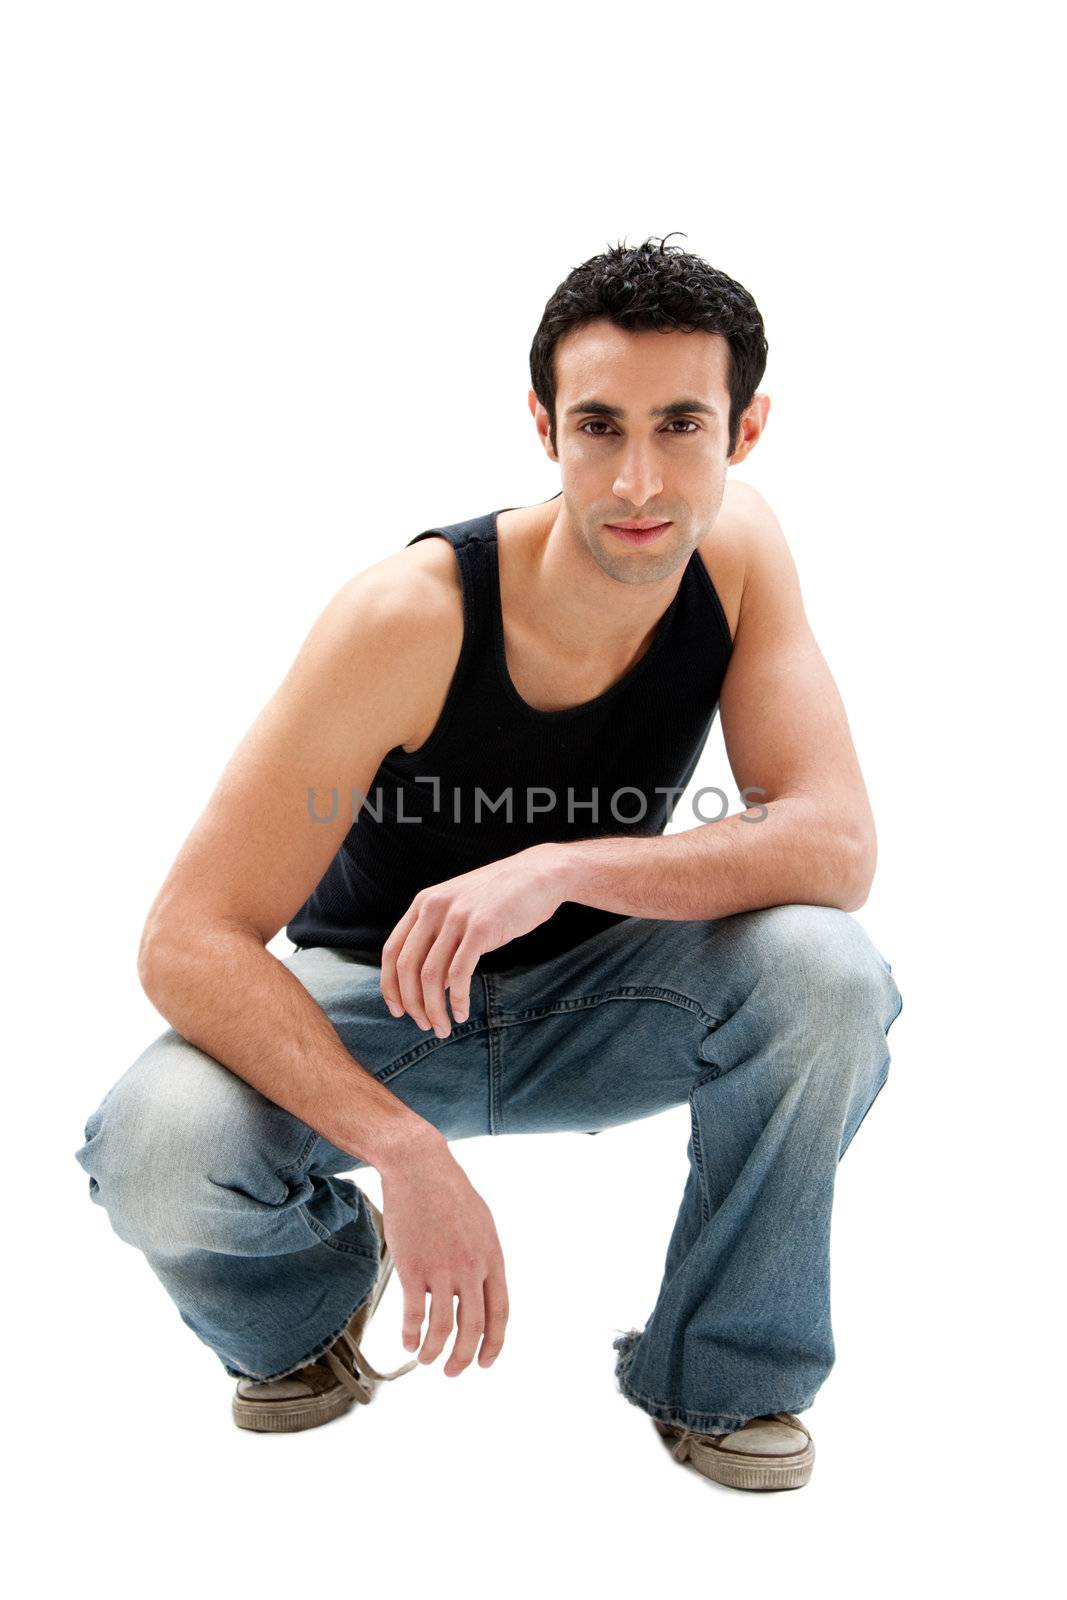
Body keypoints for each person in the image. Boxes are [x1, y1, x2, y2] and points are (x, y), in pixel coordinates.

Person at [75, 235, 902, 1492]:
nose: (638, 476)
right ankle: (308, 1308)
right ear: (541, 425)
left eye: (683, 423)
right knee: (155, 1141)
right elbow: (185, 937)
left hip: (615, 990)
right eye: (597, 425)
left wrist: (560, 865)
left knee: (825, 970)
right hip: (386, 1008)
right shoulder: (407, 616)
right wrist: (401, 1150)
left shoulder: (736, 552)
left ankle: (722, 1378)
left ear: (745, 430)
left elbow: (834, 845)